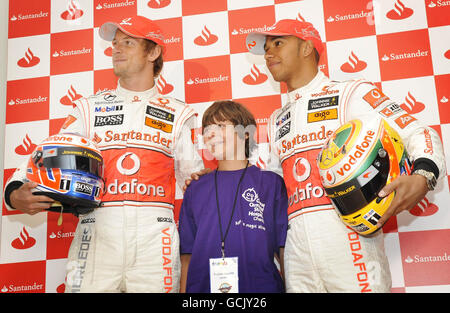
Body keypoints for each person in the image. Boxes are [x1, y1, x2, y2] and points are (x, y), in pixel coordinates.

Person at [243, 19, 446, 292]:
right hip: (296, 249)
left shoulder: (350, 92)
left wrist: (424, 175)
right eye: (266, 48)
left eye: (277, 43)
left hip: (349, 240)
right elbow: (273, 182)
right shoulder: (277, 119)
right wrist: (219, 179)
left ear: (306, 48)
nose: (268, 54)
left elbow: (416, 130)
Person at [3, 15, 203, 293]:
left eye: (128, 43)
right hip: (96, 234)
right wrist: (14, 191)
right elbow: (50, 153)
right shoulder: (90, 107)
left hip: (155, 239)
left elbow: (193, 176)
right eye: (115, 43)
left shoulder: (179, 113)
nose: (116, 49)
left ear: (153, 52)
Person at [178, 100, 288, 293]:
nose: (210, 134)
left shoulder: (271, 184)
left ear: (245, 133)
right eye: (206, 129)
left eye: (221, 126)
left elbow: (284, 251)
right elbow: (186, 256)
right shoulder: (195, 187)